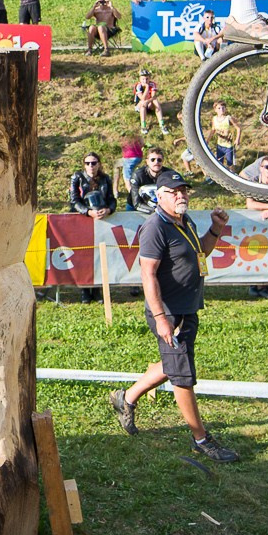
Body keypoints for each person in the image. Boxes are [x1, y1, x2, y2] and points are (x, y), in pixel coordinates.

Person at [108, 170, 237, 463]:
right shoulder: (155, 227)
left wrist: (215, 229)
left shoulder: (184, 221)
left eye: (184, 190)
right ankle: (201, 439)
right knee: (182, 375)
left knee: (172, 365)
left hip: (187, 307)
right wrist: (160, 317)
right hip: (166, 311)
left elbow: (201, 251)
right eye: (174, 191)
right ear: (160, 196)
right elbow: (148, 274)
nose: (181, 195)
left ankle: (125, 398)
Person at [132, 68, 167, 136]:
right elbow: (142, 98)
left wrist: (147, 101)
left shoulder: (152, 84)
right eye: (143, 79)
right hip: (140, 105)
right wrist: (147, 88)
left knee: (155, 101)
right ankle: (143, 126)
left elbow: (153, 96)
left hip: (149, 103)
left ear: (149, 78)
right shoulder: (138, 86)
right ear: (140, 79)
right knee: (142, 104)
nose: (145, 81)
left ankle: (162, 125)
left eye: (147, 79)